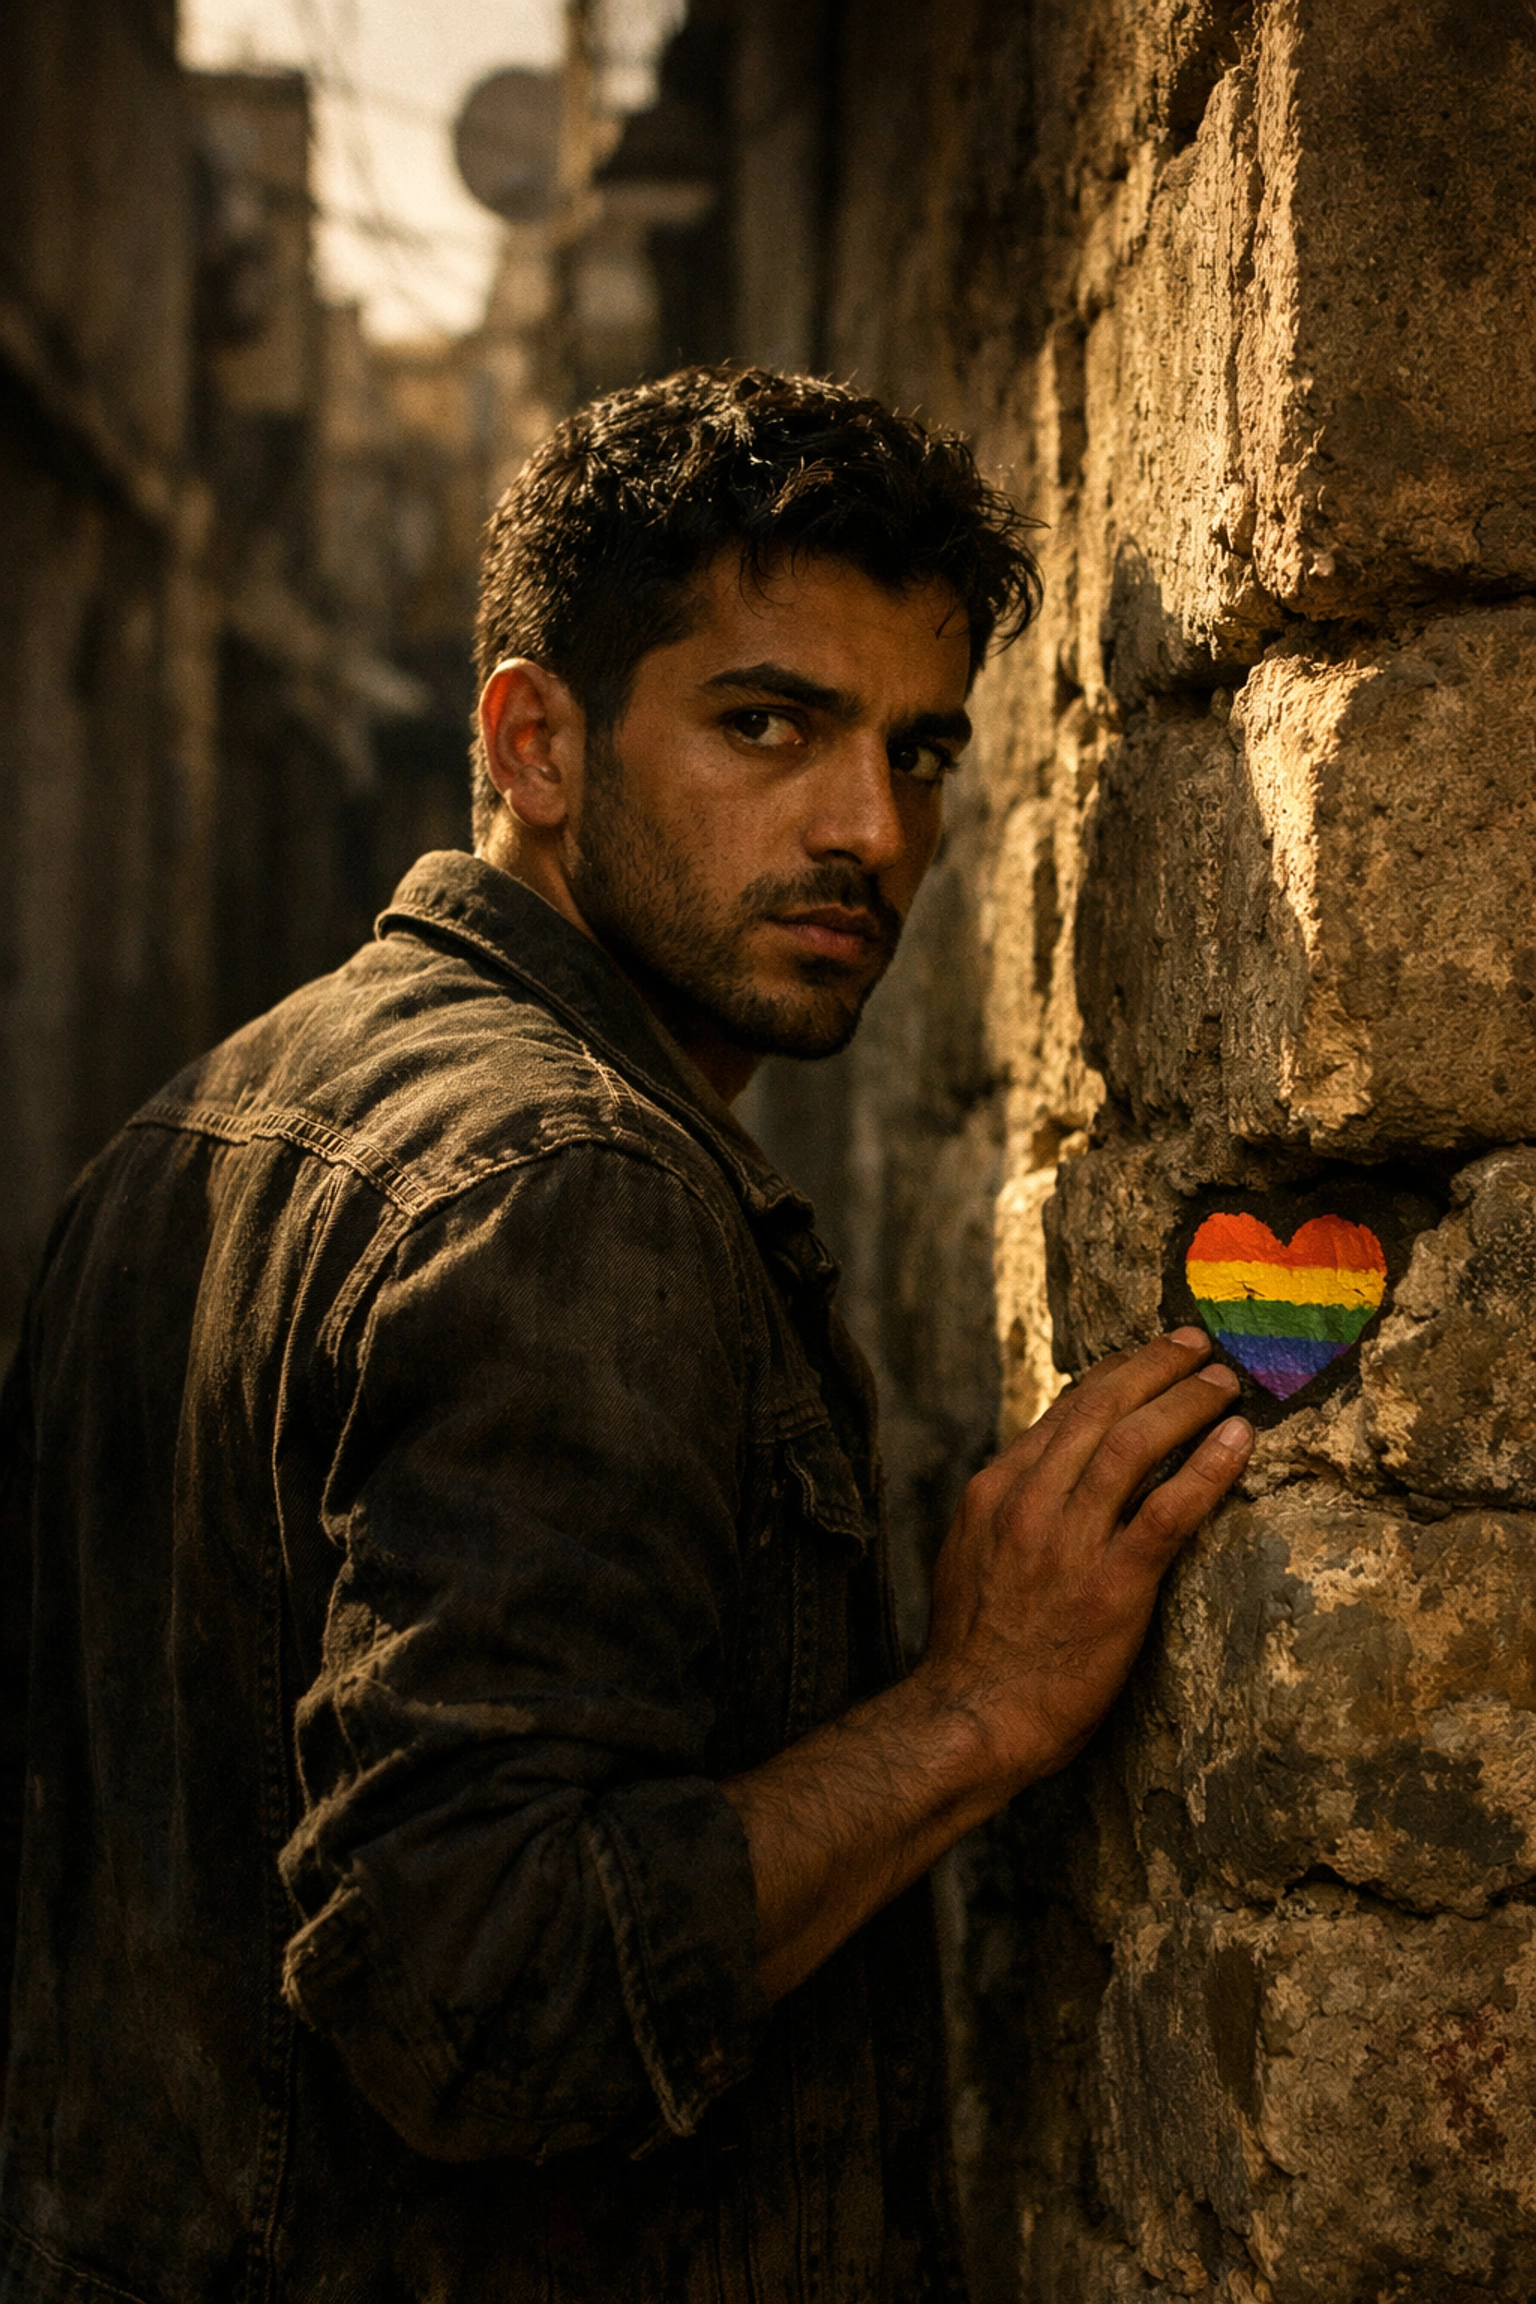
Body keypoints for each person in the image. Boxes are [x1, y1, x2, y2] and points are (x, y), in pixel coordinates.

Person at [0, 367, 1251, 2303]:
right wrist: (970, 1711)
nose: (870, 832)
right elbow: (480, 1993)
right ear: (537, 744)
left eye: (920, 755)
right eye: (772, 724)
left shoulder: (189, 1132)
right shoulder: (566, 1186)